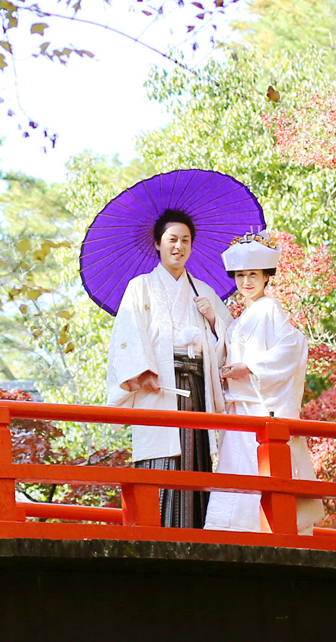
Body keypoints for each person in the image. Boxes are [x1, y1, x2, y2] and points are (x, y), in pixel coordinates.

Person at [105, 208, 232, 527]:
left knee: (195, 455)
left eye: (186, 240)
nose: (179, 246)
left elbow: (233, 339)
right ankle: (155, 527)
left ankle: (197, 528)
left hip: (195, 386)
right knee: (160, 457)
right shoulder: (140, 287)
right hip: (157, 383)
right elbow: (127, 333)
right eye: (172, 239)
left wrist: (215, 319)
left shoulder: (203, 291)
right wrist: (141, 371)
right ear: (158, 244)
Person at [203, 232, 325, 534]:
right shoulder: (244, 316)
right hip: (241, 410)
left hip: (259, 407)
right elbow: (232, 346)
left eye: (253, 275)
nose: (246, 282)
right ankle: (232, 530)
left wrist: (251, 367)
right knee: (237, 470)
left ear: (266, 276)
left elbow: (290, 349)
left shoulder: (270, 309)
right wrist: (215, 322)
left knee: (254, 471)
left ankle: (255, 529)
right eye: (241, 275)